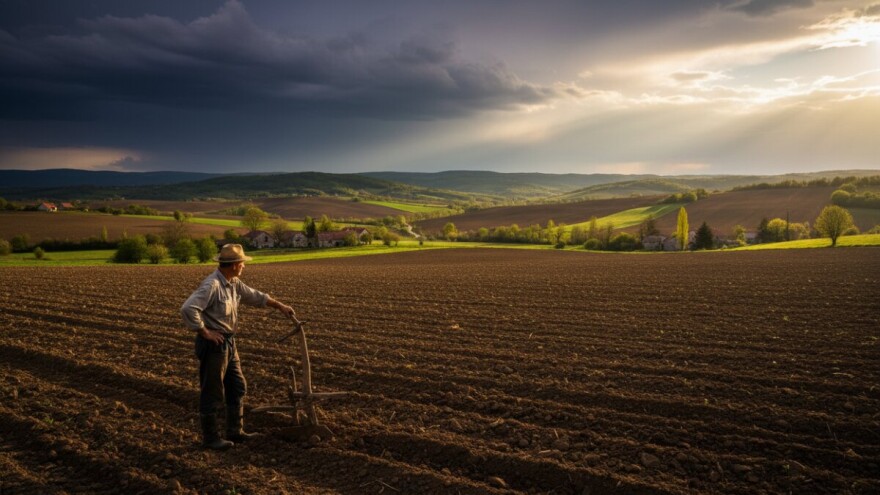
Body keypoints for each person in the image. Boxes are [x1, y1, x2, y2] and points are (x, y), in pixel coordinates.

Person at [181, 243, 296, 450]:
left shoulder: (233, 282)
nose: (244, 266)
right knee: (213, 391)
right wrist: (204, 332)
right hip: (214, 345)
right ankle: (211, 438)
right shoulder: (213, 285)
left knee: (237, 386)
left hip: (229, 342)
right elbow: (189, 308)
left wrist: (280, 306)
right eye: (242, 263)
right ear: (234, 264)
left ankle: (235, 431)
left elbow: (256, 295)